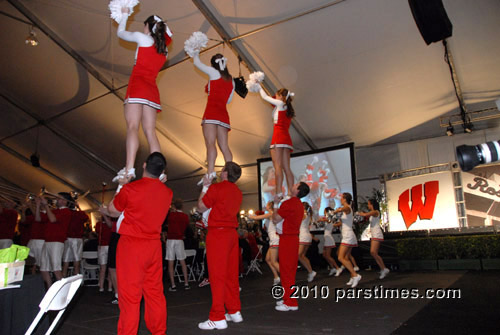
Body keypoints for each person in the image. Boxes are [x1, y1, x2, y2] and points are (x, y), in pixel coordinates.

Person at [102, 152, 173, 334]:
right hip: (154, 246)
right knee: (155, 294)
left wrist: (121, 185)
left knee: (130, 298)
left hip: (132, 246)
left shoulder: (130, 189)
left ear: (143, 165)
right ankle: (159, 332)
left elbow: (112, 211)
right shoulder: (168, 193)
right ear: (162, 171)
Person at [112, 8, 172, 182]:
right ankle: (159, 171)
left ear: (148, 26)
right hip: (152, 90)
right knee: (150, 131)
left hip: (138, 86)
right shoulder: (164, 50)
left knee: (132, 126)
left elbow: (121, 32)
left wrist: (124, 14)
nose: (143, 28)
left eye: (145, 25)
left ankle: (129, 169)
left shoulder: (143, 38)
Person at [196, 162, 243, 330]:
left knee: (217, 276)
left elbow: (201, 207)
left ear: (224, 173)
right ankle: (234, 311)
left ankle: (217, 316)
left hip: (218, 234)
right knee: (231, 275)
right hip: (231, 234)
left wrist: (205, 187)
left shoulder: (216, 188)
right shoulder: (238, 192)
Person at [192, 52, 235, 184]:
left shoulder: (213, 72)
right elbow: (229, 100)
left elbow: (197, 63)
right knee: (224, 146)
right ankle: (231, 175)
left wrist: (195, 52)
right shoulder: (231, 80)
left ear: (212, 64)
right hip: (223, 114)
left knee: (210, 143)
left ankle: (210, 173)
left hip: (211, 112)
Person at [272, 182, 310, 312]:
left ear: (298, 190)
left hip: (288, 239)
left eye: (295, 185)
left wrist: (276, 204)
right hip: (292, 238)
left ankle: (291, 302)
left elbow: (275, 219)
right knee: (289, 271)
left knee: (286, 270)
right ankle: (288, 297)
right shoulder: (298, 204)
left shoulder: (290, 203)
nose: (292, 185)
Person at [259, 87, 295, 198]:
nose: (275, 95)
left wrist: (258, 85)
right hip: (286, 139)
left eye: (277, 94)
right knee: (287, 167)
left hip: (278, 138)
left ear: (281, 96)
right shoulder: (286, 107)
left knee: (278, 166)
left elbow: (265, 97)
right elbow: (272, 99)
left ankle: (279, 191)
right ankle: (291, 192)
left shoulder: (280, 104)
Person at [38, 193, 72, 288]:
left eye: (59, 198)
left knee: (56, 269)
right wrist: (38, 205)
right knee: (43, 268)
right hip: (47, 241)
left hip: (57, 242)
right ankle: (50, 289)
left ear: (65, 201)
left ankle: (63, 291)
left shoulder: (66, 211)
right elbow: (38, 218)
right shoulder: (54, 210)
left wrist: (45, 205)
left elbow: (52, 219)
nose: (56, 200)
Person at [333, 193, 362, 288]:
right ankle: (353, 276)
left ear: (345, 199)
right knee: (346, 257)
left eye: (341, 198)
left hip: (347, 235)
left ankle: (355, 275)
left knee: (340, 257)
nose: (340, 199)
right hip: (348, 234)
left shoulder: (347, 208)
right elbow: (342, 222)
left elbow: (344, 209)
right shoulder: (347, 209)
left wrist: (337, 210)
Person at [249, 201, 280, 285]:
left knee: (273, 261)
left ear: (270, 206)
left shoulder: (271, 214)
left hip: (274, 239)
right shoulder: (270, 214)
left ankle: (287, 277)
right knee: (267, 259)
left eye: (267, 204)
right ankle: (276, 277)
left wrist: (249, 215)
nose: (265, 205)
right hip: (273, 239)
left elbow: (256, 218)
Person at [358, 199, 390, 279]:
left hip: (377, 234)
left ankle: (384, 268)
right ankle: (383, 268)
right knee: (373, 253)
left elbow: (367, 214)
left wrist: (360, 214)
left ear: (372, 204)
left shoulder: (376, 212)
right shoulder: (372, 213)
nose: (368, 206)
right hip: (373, 234)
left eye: (368, 204)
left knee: (373, 252)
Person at [166, 198, 190, 291]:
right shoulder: (185, 216)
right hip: (180, 240)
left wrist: (171, 210)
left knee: (170, 262)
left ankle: (173, 285)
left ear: (174, 206)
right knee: (182, 261)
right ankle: (186, 283)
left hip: (171, 240)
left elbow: (166, 221)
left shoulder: (171, 215)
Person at [62, 204, 89, 277]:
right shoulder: (80, 214)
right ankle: (76, 281)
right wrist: (79, 208)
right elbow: (86, 217)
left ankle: (63, 279)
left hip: (67, 238)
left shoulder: (66, 213)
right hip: (77, 239)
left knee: (65, 261)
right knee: (77, 261)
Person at [321, 207, 342, 277]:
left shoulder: (329, 219)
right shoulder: (328, 219)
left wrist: (322, 219)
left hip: (329, 239)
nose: (324, 212)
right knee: (324, 255)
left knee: (328, 256)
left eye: (324, 211)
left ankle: (337, 268)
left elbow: (328, 221)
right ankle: (333, 268)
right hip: (327, 238)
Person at [299, 202, 316, 282]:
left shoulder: (303, 214)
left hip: (303, 236)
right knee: (302, 256)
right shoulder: (308, 214)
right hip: (306, 236)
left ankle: (311, 271)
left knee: (299, 255)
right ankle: (310, 272)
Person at [96, 214, 113, 292]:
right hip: (106, 246)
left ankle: (102, 287)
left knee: (104, 268)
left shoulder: (99, 225)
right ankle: (107, 287)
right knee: (108, 268)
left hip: (104, 246)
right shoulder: (100, 225)